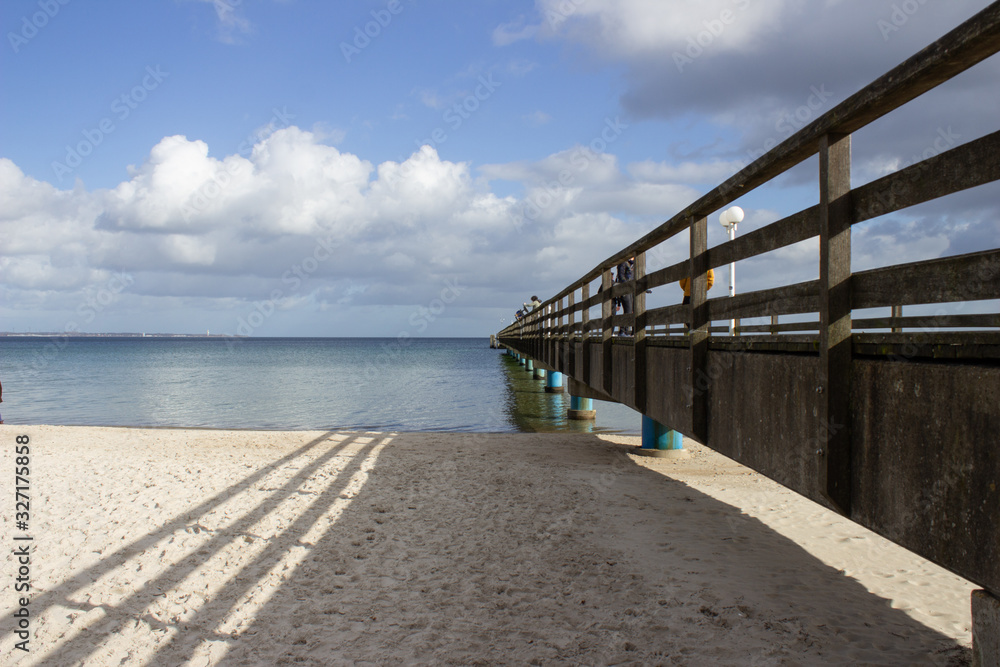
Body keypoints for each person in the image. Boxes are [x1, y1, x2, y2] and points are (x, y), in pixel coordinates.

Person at [616, 257, 635, 335]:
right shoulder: (623, 263)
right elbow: (621, 277)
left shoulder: (633, 266)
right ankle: (623, 331)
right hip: (625, 289)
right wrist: (627, 285)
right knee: (628, 310)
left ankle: (630, 331)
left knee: (633, 310)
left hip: (632, 290)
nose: (633, 258)